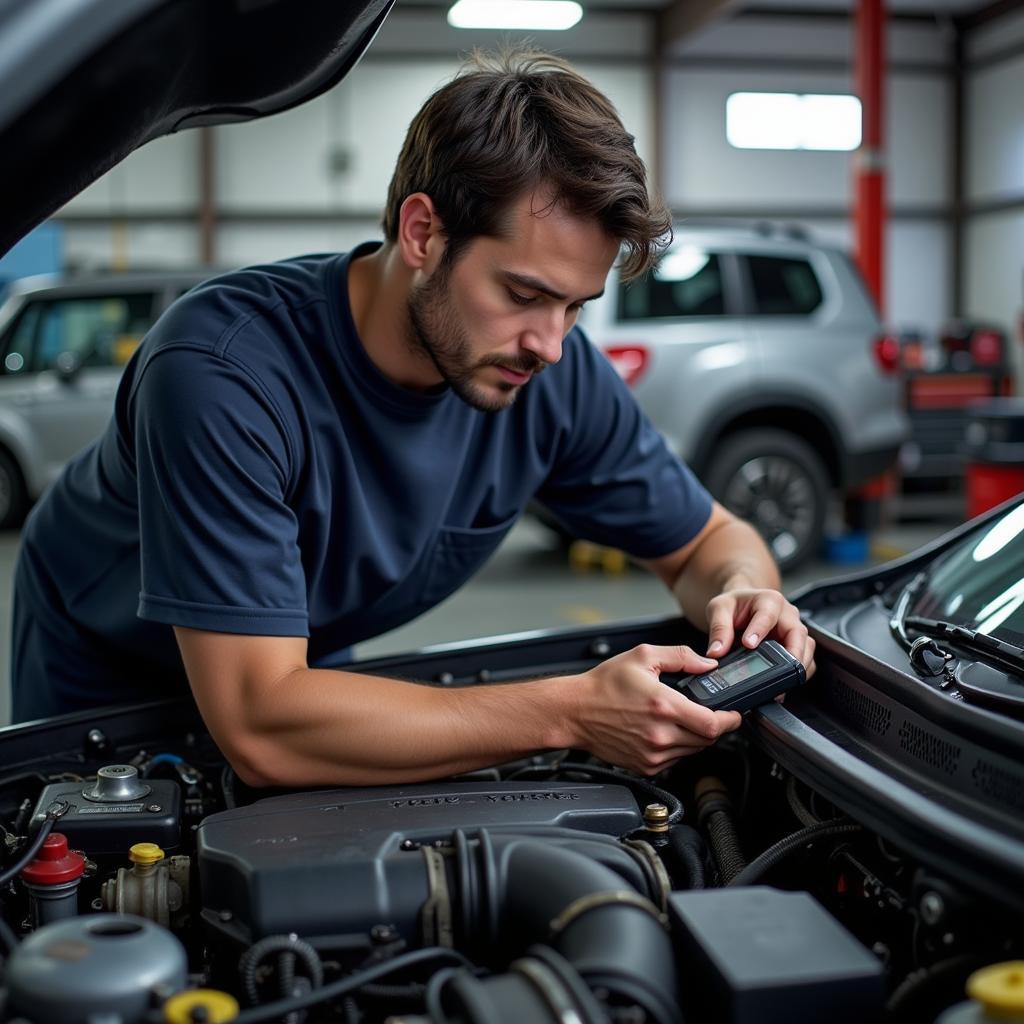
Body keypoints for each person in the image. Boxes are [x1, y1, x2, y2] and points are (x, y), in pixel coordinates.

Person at [11, 49, 813, 785]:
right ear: (422, 232)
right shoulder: (223, 372)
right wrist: (570, 711)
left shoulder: (545, 377)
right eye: (525, 294)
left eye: (576, 306)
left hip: (296, 655)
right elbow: (260, 727)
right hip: (106, 673)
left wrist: (745, 596)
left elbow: (713, 541)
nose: (551, 344)